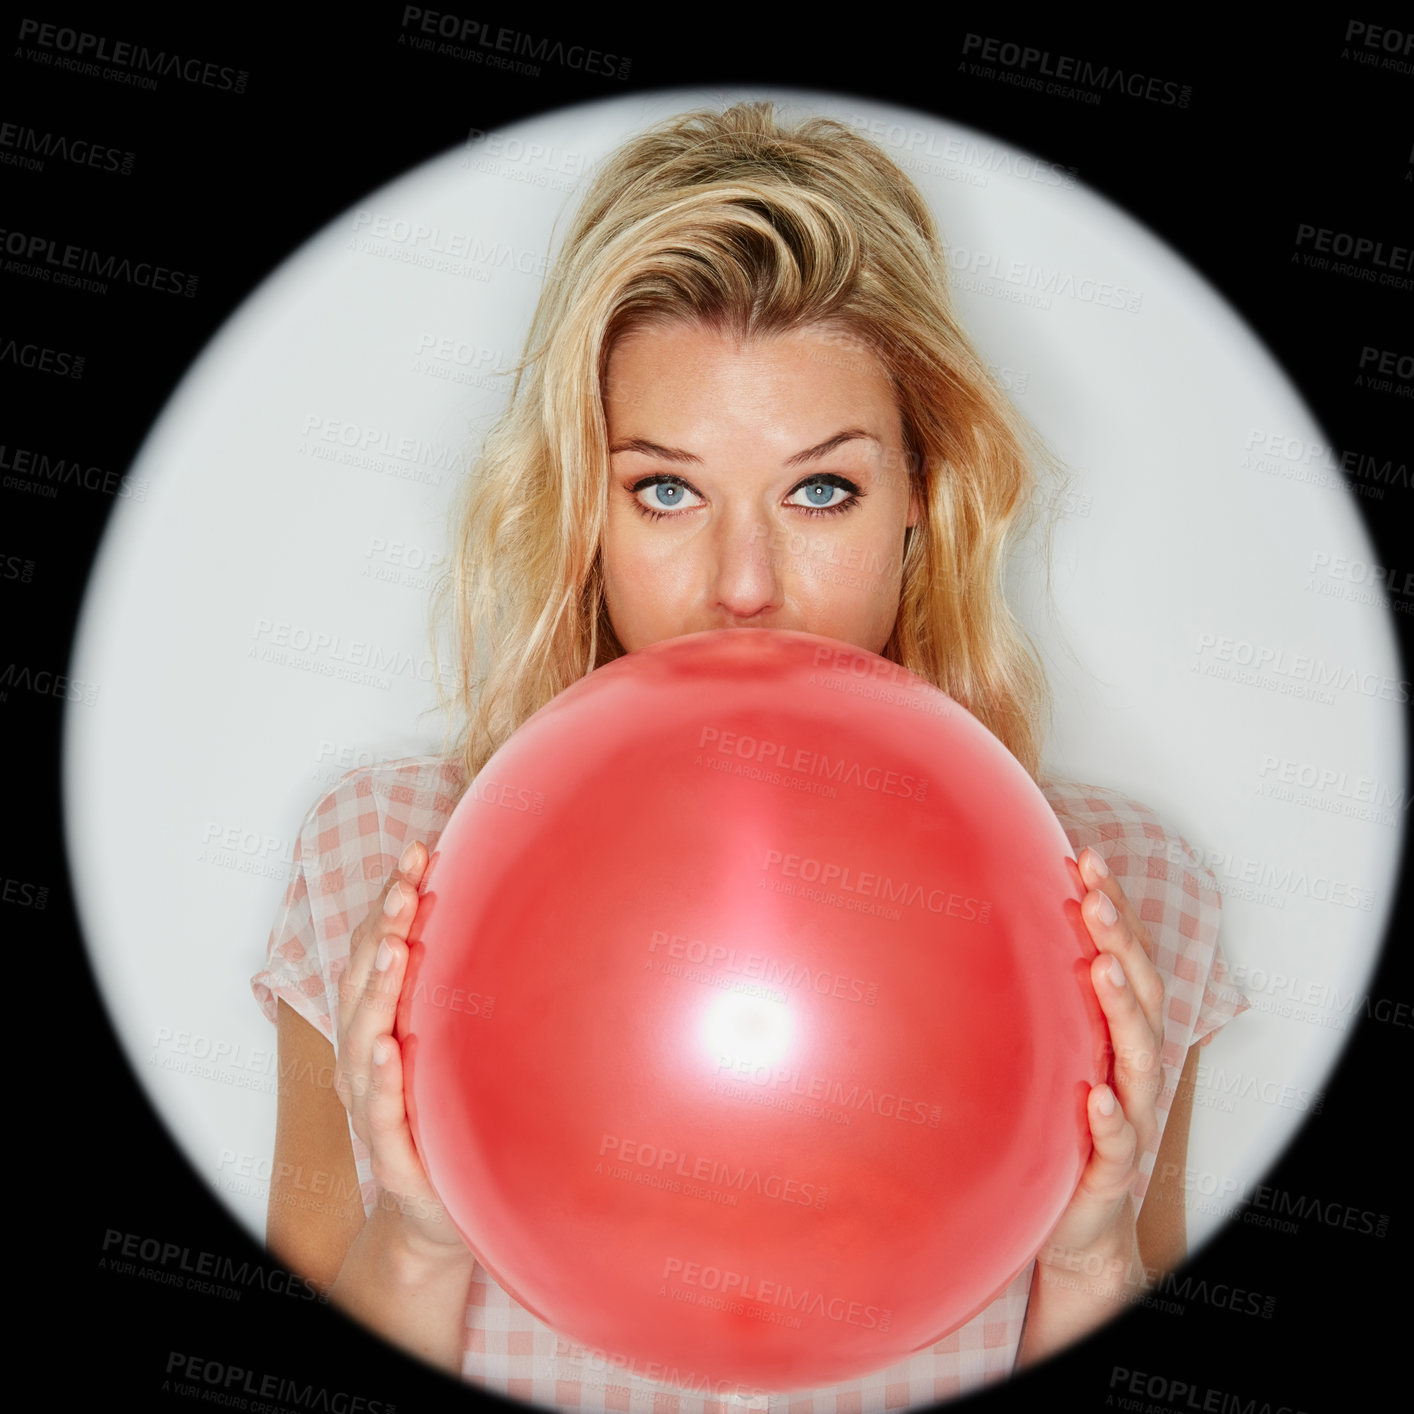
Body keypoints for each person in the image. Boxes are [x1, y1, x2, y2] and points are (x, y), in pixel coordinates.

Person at [252, 101, 1247, 1411]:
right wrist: (426, 1233)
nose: (744, 584)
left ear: (918, 501)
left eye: (821, 488)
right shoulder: (378, 858)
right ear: (580, 510)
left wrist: (1086, 1253)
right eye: (664, 487)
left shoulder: (1118, 893)